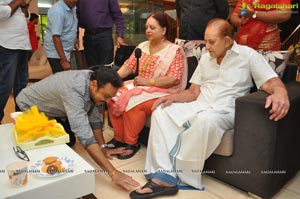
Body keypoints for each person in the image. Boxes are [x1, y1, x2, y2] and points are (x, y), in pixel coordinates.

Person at [129, 18, 290, 199]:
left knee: (206, 121)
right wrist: (171, 98)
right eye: (205, 41)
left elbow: (271, 82)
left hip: (224, 111)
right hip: (200, 105)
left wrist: (281, 92)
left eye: (212, 42)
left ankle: (179, 176)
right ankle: (163, 174)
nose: (207, 46)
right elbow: (193, 92)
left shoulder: (248, 55)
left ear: (228, 40)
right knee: (161, 111)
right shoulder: (206, 58)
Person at [16, 67, 140, 191]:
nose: (107, 101)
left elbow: (94, 117)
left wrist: (103, 147)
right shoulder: (73, 90)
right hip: (29, 107)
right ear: (94, 84)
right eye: (106, 96)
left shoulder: (94, 80)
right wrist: (113, 173)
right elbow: (85, 136)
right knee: (48, 151)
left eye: (110, 97)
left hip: (55, 111)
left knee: (69, 141)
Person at [107, 13, 188, 160]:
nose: (148, 31)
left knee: (133, 102)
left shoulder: (173, 51)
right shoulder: (142, 46)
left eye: (152, 27)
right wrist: (112, 80)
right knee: (112, 95)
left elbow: (174, 79)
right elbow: (128, 67)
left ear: (163, 30)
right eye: (146, 28)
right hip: (141, 86)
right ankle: (119, 139)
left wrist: (148, 82)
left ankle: (132, 143)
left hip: (164, 90)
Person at [0, 0, 32, 123]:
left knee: (22, 86)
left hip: (22, 45)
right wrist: (18, 1)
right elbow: (2, 13)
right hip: (7, 44)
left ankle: (21, 121)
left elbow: (26, 17)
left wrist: (25, 5)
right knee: (4, 86)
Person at [77, 0, 127, 67]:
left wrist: (120, 35)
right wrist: (76, 36)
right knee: (91, 69)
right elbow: (76, 16)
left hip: (104, 36)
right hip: (88, 36)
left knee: (106, 68)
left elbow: (118, 15)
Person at [43, 0, 78, 73]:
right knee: (62, 81)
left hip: (66, 51)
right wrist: (64, 60)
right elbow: (56, 37)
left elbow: (70, 28)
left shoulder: (72, 8)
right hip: (56, 54)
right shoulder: (58, 11)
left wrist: (72, 46)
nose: (74, 1)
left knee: (67, 79)